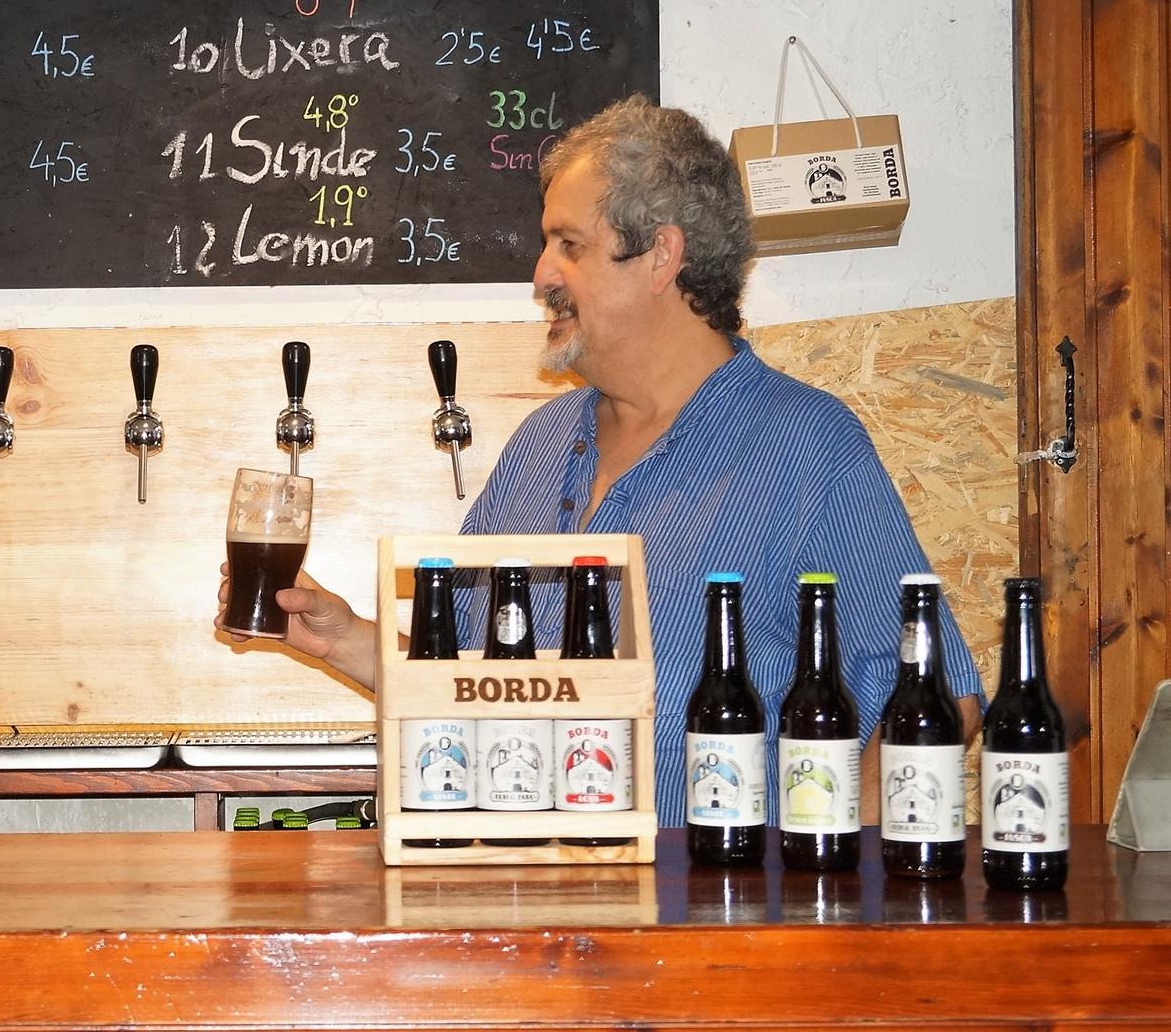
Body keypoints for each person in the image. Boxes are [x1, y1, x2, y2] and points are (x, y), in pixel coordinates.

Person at [223, 95, 982, 826]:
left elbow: (946, 696)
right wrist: (347, 638)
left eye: (569, 245)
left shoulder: (807, 445)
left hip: (707, 934)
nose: (541, 275)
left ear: (659, 254)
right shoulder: (539, 444)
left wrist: (815, 872)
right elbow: (468, 686)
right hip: (525, 911)